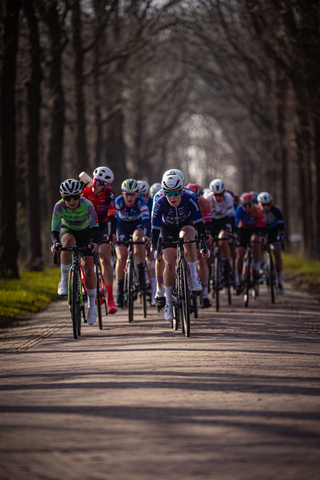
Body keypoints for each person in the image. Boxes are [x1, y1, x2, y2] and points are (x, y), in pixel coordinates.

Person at [151, 171, 208, 322]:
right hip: (167, 228)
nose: (173, 197)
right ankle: (169, 303)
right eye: (169, 193)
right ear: (164, 192)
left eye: (176, 192)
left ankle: (194, 278)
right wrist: (155, 248)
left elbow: (199, 223)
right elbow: (155, 229)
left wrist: (203, 243)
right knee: (169, 265)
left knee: (188, 240)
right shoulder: (159, 200)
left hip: (185, 224)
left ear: (182, 190)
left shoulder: (190, 197)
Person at [50, 179, 99, 325]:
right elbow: (55, 230)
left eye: (75, 197)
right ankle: (64, 280)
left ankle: (92, 306)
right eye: (67, 198)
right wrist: (55, 243)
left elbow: (95, 228)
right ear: (62, 197)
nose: (72, 201)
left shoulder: (87, 205)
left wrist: (94, 243)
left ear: (80, 195)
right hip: (68, 231)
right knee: (66, 243)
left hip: (85, 234)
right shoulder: (58, 206)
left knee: (89, 269)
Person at [81, 166, 117, 313]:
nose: (97, 184)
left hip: (102, 226)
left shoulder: (110, 194)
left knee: (105, 258)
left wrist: (111, 233)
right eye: (96, 180)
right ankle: (83, 283)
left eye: (101, 183)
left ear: (106, 185)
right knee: (83, 258)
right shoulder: (85, 189)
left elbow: (112, 216)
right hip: (86, 225)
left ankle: (110, 299)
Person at [115, 179, 151, 308]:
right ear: (122, 193)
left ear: (137, 194)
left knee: (138, 239)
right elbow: (113, 219)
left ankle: (141, 272)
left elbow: (146, 220)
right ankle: (119, 290)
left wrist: (147, 235)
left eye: (133, 194)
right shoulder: (118, 201)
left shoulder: (141, 203)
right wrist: (111, 234)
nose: (129, 197)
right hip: (121, 227)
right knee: (121, 256)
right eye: (127, 194)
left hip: (137, 226)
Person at [203, 179, 235, 285]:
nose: (218, 197)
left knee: (222, 240)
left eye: (220, 194)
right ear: (211, 193)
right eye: (215, 195)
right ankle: (209, 268)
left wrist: (232, 232)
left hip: (223, 220)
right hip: (211, 221)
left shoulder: (229, 198)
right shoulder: (206, 198)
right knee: (209, 243)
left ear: (224, 192)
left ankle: (226, 267)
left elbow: (231, 217)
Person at [234, 192, 267, 295]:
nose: (248, 208)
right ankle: (238, 280)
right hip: (243, 230)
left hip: (254, 229)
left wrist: (263, 237)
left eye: (250, 206)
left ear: (253, 204)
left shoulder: (257, 210)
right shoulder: (239, 209)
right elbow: (235, 224)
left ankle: (256, 269)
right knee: (240, 254)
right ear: (242, 205)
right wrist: (235, 235)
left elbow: (262, 226)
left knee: (256, 240)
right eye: (245, 206)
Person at [186, 183, 213, 308]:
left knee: (202, 260)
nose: (195, 201)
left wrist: (207, 235)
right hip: (187, 228)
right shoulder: (185, 200)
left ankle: (205, 294)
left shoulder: (205, 203)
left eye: (197, 199)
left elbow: (207, 223)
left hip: (199, 228)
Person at [257, 191, 285, 294]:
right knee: (257, 243)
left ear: (271, 203)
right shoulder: (256, 211)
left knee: (277, 251)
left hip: (273, 232)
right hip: (262, 232)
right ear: (258, 204)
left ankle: (280, 281)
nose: (265, 207)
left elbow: (281, 225)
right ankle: (261, 264)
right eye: (263, 205)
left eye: (268, 204)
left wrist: (281, 234)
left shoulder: (276, 210)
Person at [137, 180, 157, 305]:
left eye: (143, 195)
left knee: (150, 258)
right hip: (136, 230)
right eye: (137, 195)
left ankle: (155, 290)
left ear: (148, 195)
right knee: (135, 251)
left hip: (149, 230)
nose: (140, 198)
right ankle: (136, 279)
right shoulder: (133, 203)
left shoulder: (151, 203)